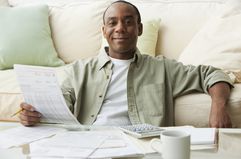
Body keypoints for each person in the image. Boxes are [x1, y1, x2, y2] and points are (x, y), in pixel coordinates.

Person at [19, 0, 233, 128]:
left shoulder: (162, 68)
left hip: (144, 147)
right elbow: (60, 102)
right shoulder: (79, 70)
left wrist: (219, 107)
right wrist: (33, 112)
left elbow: (212, 74)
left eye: (128, 22)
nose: (120, 28)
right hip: (90, 144)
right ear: (104, 31)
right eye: (112, 23)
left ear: (139, 29)